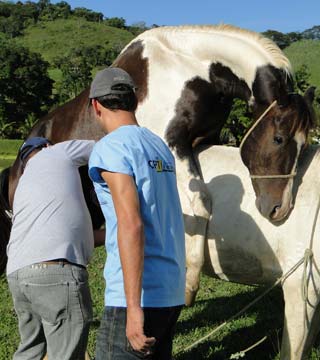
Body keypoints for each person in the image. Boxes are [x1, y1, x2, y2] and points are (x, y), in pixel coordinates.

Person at [88, 67, 186, 360]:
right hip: (170, 290)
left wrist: (133, 308)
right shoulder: (158, 146)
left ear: (96, 105)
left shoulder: (111, 148)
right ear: (135, 101)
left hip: (136, 297)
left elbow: (131, 224)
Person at [7, 137, 96, 360]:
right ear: (46, 146)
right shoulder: (58, 151)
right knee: (66, 353)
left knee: (30, 349)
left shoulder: (24, 185)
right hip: (55, 272)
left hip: (18, 275)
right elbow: (108, 146)